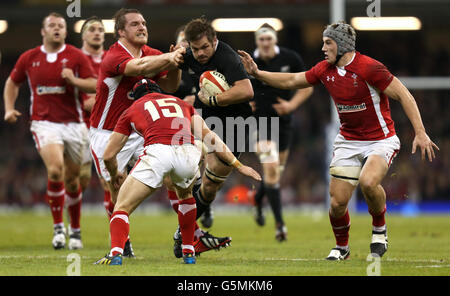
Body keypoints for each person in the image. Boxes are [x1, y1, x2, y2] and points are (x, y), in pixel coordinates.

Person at [238, 21, 439, 260]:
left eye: (328, 43)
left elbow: (404, 94)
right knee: (337, 204)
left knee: (367, 182)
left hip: (380, 139)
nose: (323, 48)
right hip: (348, 140)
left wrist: (420, 131)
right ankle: (342, 248)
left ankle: (379, 230)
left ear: (342, 45)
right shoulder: (324, 69)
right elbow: (292, 80)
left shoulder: (370, 68)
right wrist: (257, 73)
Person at [94, 79, 261, 265]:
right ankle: (189, 253)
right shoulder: (181, 104)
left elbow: (108, 155)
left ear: (136, 97)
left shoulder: (131, 110)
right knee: (186, 196)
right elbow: (209, 136)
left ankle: (115, 254)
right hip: (187, 154)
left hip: (158, 152)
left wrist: (114, 172)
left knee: (122, 206)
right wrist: (238, 165)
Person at [88, 8, 185, 257]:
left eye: (143, 23)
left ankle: (186, 235)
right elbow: (138, 66)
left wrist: (176, 64)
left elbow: (171, 87)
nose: (142, 27)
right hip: (107, 132)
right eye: (134, 24)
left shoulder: (152, 53)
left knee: (171, 174)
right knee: (115, 187)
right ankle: (122, 242)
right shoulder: (113, 56)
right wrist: (170, 56)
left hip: (140, 130)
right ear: (121, 31)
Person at [3, 12, 97, 250]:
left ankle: (75, 230)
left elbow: (94, 84)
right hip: (44, 123)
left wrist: (74, 81)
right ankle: (58, 229)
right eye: (52, 25)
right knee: (56, 170)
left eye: (61, 26)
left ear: (65, 31)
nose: (56, 28)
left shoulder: (75, 56)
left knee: (74, 181)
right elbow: (13, 82)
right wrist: (9, 108)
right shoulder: (29, 57)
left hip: (75, 124)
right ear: (43, 31)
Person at [175, 17, 254, 242]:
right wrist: (173, 61)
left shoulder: (227, 57)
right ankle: (187, 234)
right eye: (195, 48)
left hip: (235, 123)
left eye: (205, 48)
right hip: (205, 118)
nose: (200, 53)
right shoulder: (188, 55)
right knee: (186, 165)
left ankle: (184, 230)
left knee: (210, 187)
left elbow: (247, 91)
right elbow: (170, 85)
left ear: (215, 41)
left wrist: (215, 99)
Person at [249, 23, 313, 242]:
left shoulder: (290, 58)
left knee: (274, 175)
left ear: (274, 40)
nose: (265, 43)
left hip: (283, 122)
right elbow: (231, 87)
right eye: (261, 40)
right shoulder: (247, 62)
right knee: (271, 168)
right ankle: (280, 225)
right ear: (257, 41)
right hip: (258, 124)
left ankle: (258, 200)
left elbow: (307, 86)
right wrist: (244, 104)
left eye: (269, 39)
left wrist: (291, 106)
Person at [171, 25, 213, 229]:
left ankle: (190, 223)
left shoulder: (204, 67)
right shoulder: (172, 68)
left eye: (189, 46)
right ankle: (192, 219)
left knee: (196, 162)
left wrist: (196, 99)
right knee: (180, 176)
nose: (186, 49)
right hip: (174, 126)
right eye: (183, 44)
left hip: (200, 124)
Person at [77, 16, 114, 218]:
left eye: (101, 29)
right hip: (79, 125)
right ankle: (73, 225)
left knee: (109, 179)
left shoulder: (111, 58)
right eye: (92, 29)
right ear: (83, 35)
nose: (97, 32)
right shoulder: (75, 60)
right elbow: (86, 103)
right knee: (78, 179)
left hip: (106, 126)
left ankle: (116, 231)